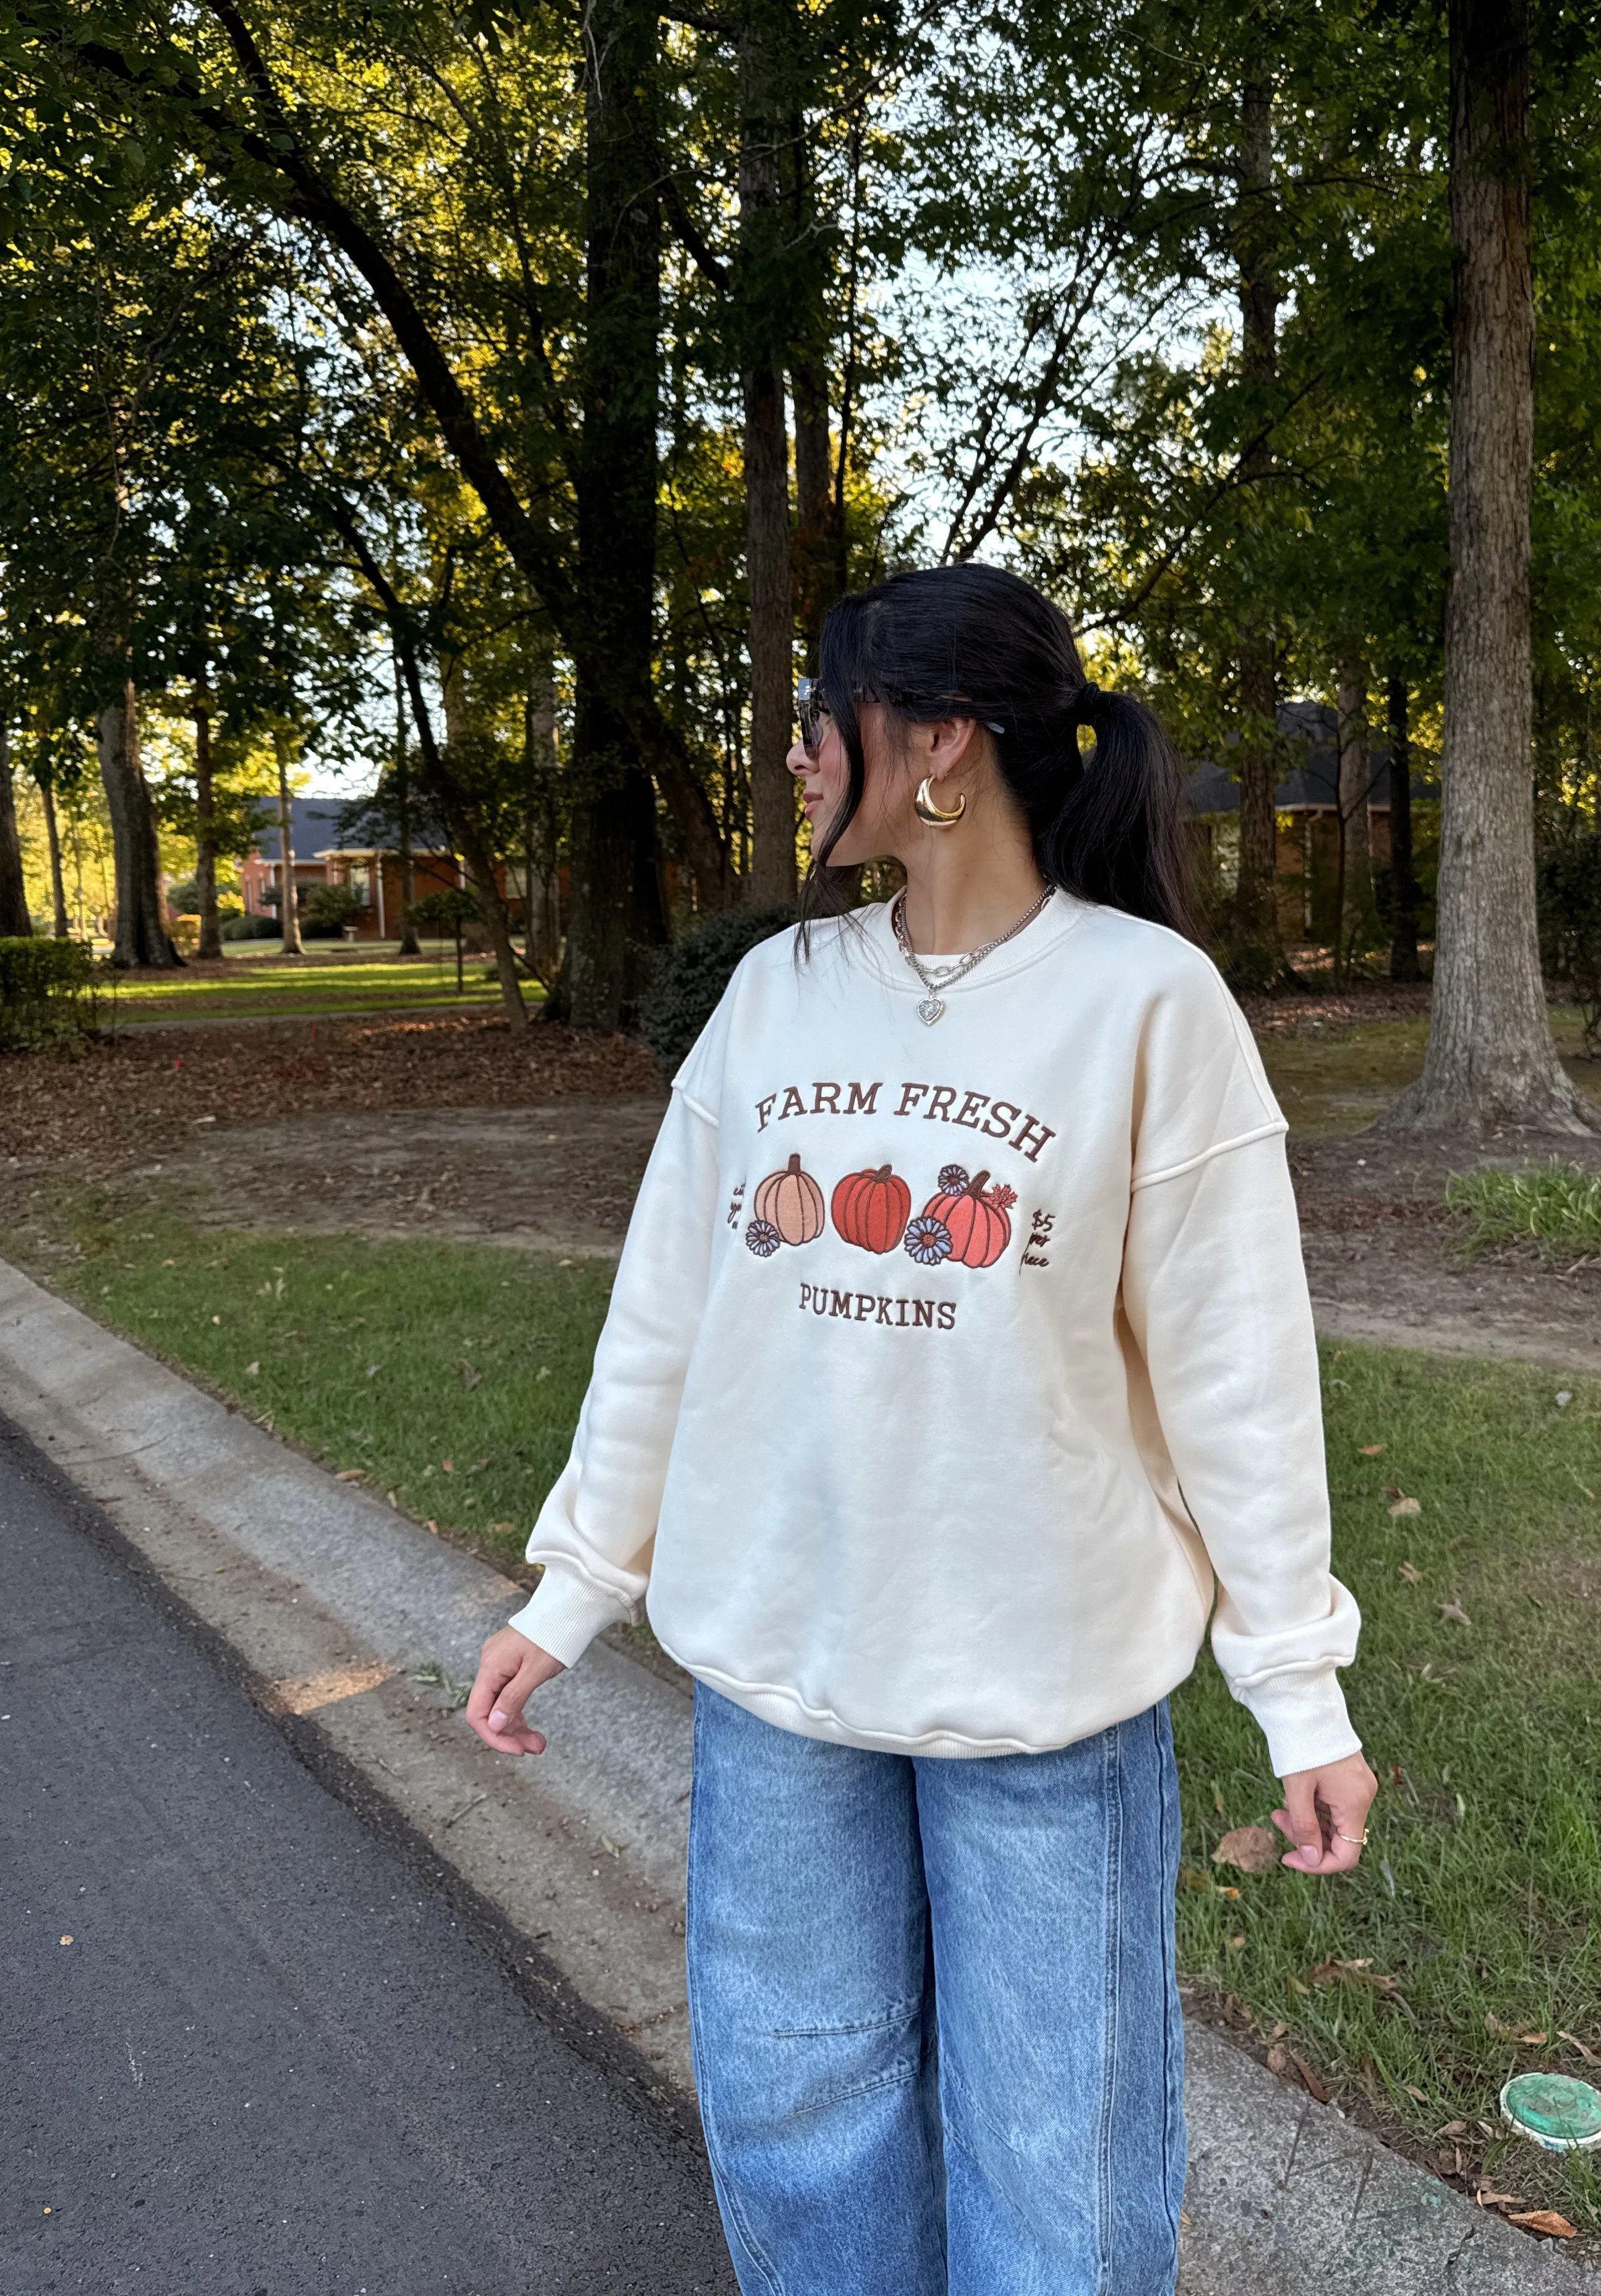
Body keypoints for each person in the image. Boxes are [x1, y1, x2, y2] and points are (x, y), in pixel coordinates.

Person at [467, 562, 1375, 2296]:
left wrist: (1297, 1688)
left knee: (1059, 2150)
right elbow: (668, 1315)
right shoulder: (776, 996)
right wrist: (572, 1582)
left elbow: (1238, 1377)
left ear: (937, 743)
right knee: (800, 2115)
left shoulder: (1147, 1004)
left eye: (821, 726)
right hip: (782, 1675)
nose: (798, 763)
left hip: (1044, 1690)